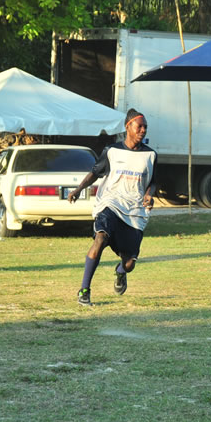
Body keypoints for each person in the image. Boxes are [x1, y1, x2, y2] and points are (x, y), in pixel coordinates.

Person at [68, 109, 157, 306]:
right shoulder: (112, 151)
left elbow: (153, 181)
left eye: (145, 127)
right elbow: (95, 172)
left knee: (129, 263)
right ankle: (84, 290)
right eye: (139, 126)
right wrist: (78, 189)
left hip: (134, 211)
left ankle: (120, 272)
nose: (143, 130)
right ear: (128, 127)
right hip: (111, 203)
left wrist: (149, 195)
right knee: (100, 238)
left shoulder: (150, 155)